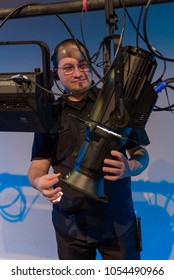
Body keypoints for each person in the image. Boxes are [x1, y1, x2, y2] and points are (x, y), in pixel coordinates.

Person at [28, 38, 150, 260]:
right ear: (56, 73)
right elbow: (38, 165)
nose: (78, 73)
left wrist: (130, 167)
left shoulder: (120, 105)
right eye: (68, 67)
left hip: (117, 221)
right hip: (70, 224)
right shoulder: (49, 114)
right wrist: (38, 181)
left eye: (83, 64)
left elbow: (141, 155)